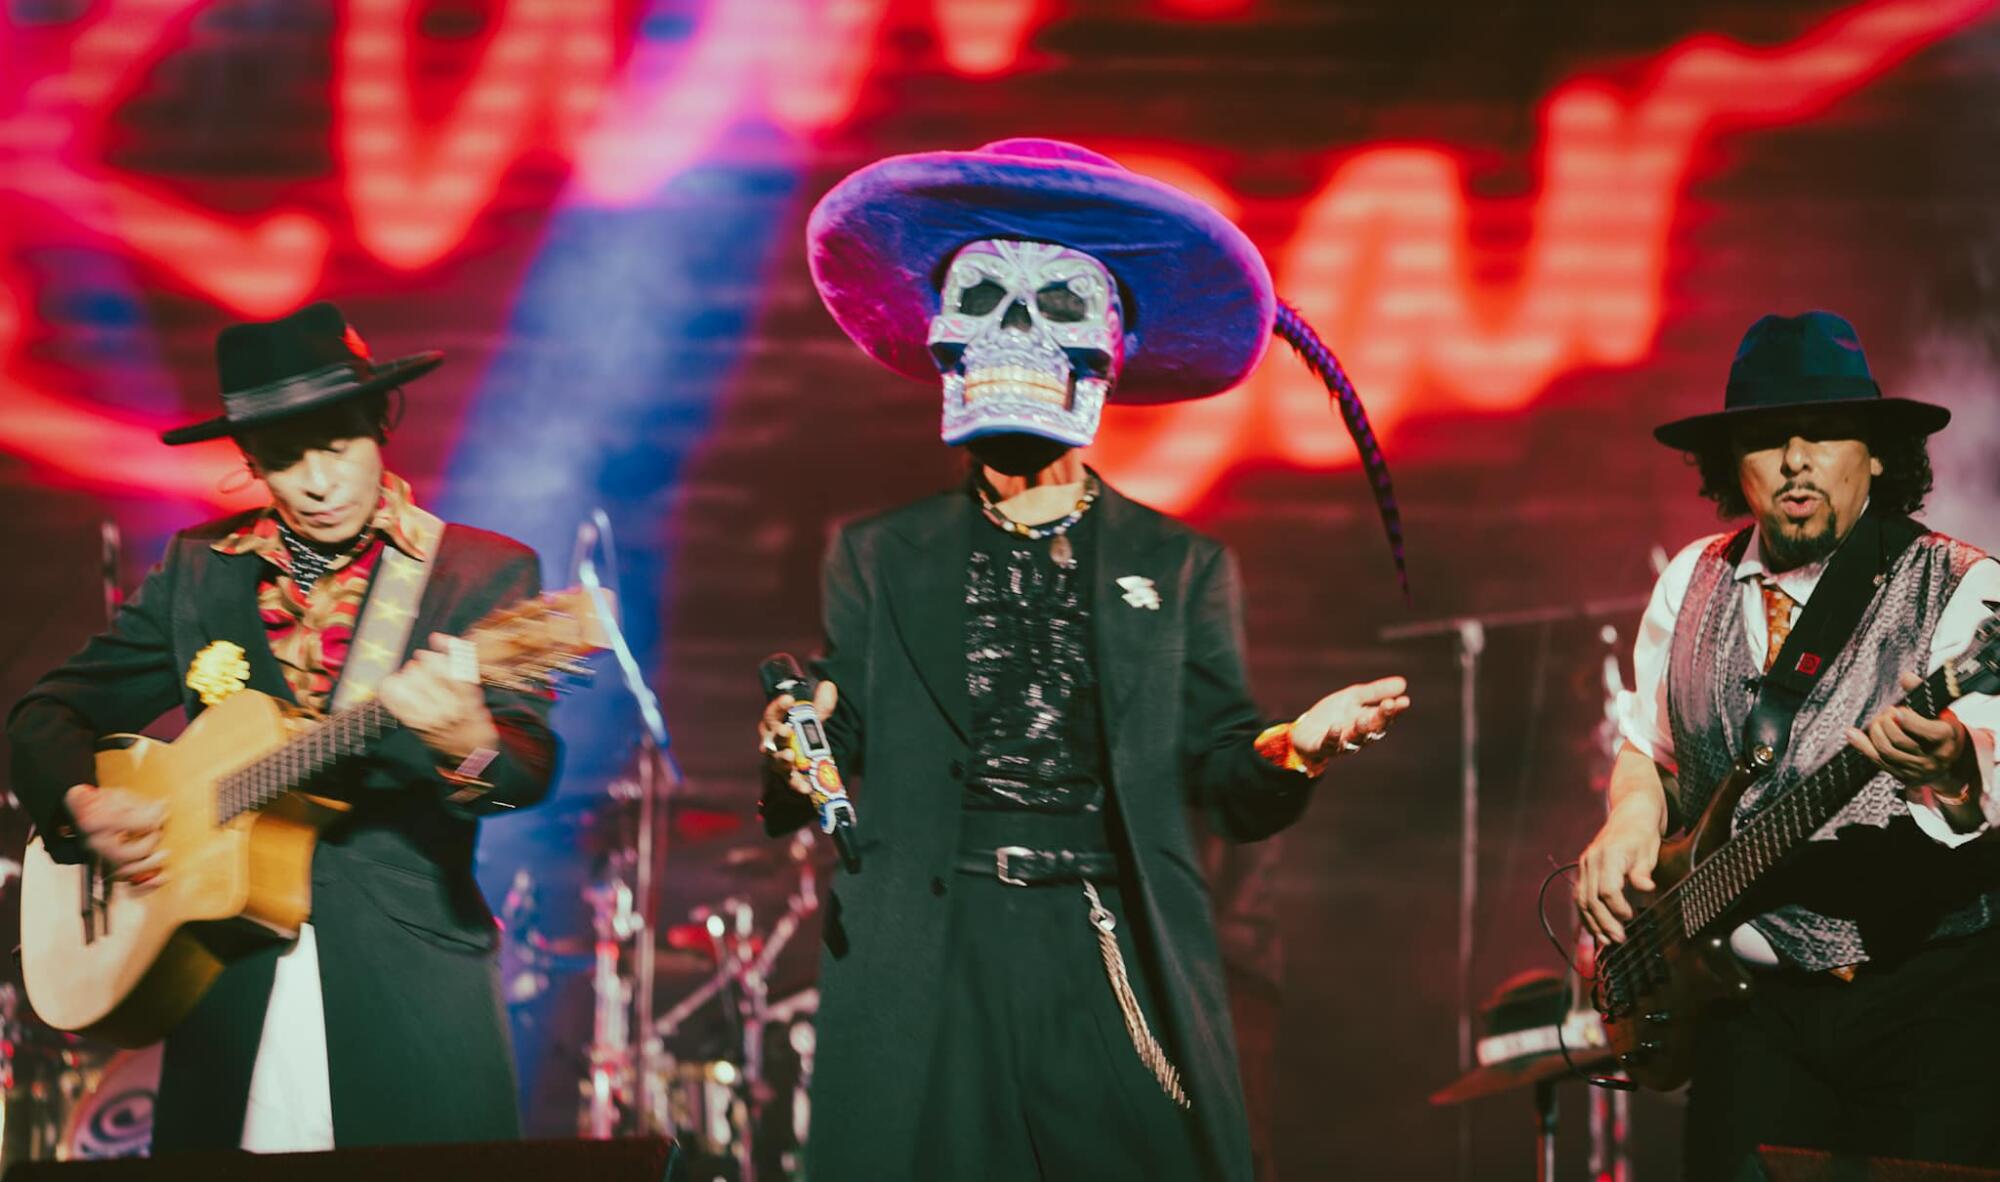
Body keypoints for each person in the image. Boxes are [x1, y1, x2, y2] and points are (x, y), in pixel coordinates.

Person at [755, 138, 1411, 1182]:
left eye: (1055, 308)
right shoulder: (878, 554)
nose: (1014, 336)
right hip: (934, 949)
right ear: (943, 340)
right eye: (981, 303)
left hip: (1102, 940)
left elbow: (1219, 771)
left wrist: (1297, 746)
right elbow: (843, 725)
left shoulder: (1179, 564)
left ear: (1110, 348)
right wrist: (800, 746)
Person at [7, 301, 560, 1152]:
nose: (319, 482)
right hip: (224, 997)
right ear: (250, 461)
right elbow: (46, 712)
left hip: (410, 993)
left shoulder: (478, 573)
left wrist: (463, 737)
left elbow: (523, 775)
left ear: (380, 422)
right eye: (284, 457)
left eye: (337, 444)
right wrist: (83, 808)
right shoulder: (199, 572)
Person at [1573, 311, 2000, 1178]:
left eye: (1826, 433)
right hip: (1746, 1013)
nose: (1797, 459)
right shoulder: (1689, 580)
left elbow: (1987, 776)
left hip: (1922, 1009)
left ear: (1877, 454)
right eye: (1769, 438)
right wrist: (1626, 820)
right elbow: (1649, 749)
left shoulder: (1965, 588)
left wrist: (1953, 766)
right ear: (1736, 465)